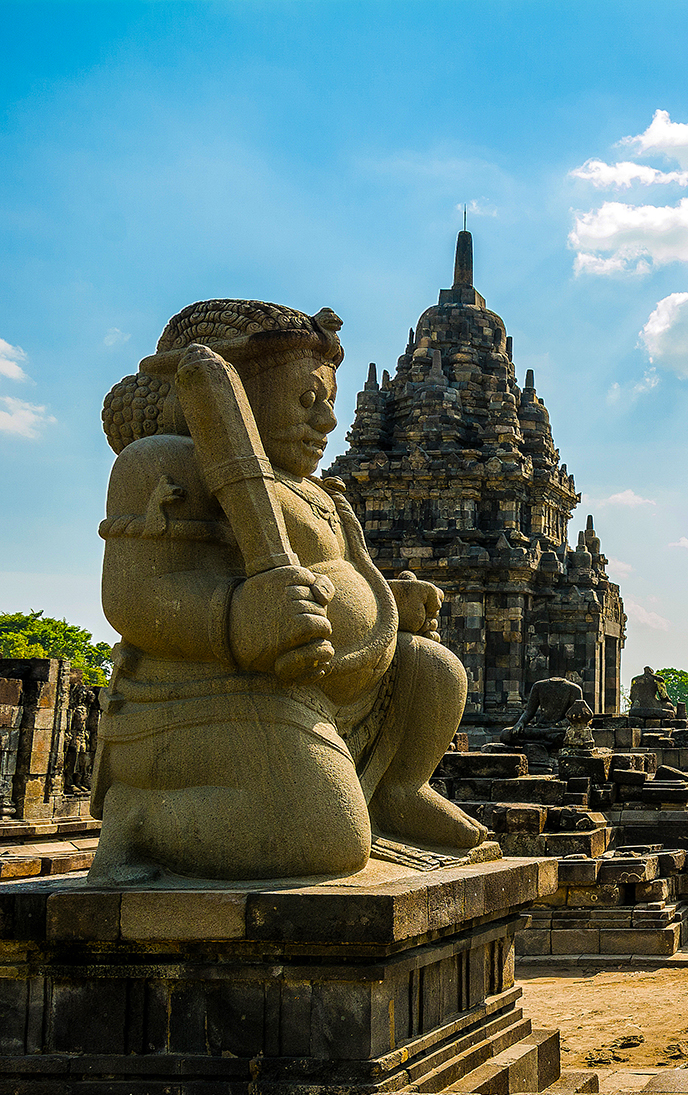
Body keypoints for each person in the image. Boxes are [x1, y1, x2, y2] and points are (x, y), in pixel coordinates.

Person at [91, 300, 485, 882]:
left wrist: (386, 603)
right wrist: (235, 618)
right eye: (306, 400)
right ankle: (140, 816)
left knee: (433, 667)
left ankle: (397, 790)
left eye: (329, 403)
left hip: (339, 688)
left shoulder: (318, 492)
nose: (325, 421)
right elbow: (133, 596)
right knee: (322, 838)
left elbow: (342, 567)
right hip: (220, 695)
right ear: (238, 391)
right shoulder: (166, 463)